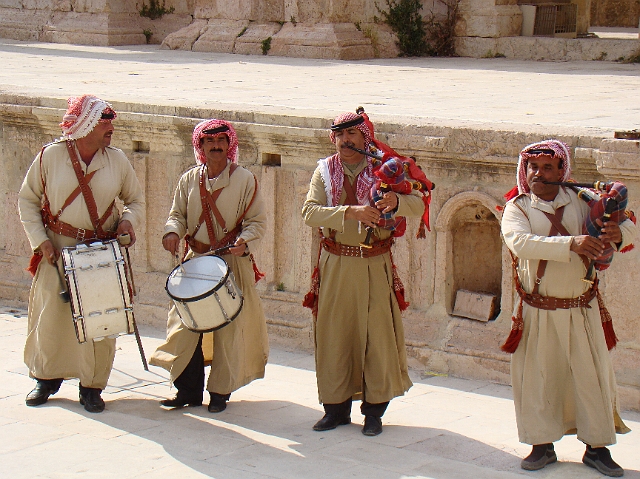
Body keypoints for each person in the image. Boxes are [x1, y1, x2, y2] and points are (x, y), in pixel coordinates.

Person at [500, 140, 636, 477]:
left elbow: (629, 224)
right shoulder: (517, 208)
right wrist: (571, 243)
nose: (539, 174)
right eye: (533, 167)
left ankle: (597, 447)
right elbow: (520, 243)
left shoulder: (584, 200)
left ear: (563, 171)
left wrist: (618, 232)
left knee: (591, 379)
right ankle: (542, 445)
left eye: (548, 168)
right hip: (538, 310)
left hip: (582, 308)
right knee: (539, 379)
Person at [301, 112, 426, 436]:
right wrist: (349, 212)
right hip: (336, 265)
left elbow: (419, 204)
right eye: (340, 135)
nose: (346, 141)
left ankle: (374, 413)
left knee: (377, 338)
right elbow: (309, 212)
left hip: (374, 264)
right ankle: (336, 410)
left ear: (365, 137)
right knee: (334, 337)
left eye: (353, 134)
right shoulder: (325, 171)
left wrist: (396, 200)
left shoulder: (386, 168)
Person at [18, 94, 145, 413]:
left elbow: (135, 201)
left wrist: (128, 223)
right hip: (57, 250)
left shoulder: (116, 160)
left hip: (101, 251)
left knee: (100, 321)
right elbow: (28, 201)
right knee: (52, 318)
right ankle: (46, 379)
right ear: (85, 125)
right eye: (104, 123)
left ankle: (92, 387)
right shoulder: (51, 156)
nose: (110, 129)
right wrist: (39, 240)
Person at [150, 119, 269, 413]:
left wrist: (245, 241)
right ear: (200, 146)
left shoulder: (245, 180)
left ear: (229, 145)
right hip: (196, 261)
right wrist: (172, 232)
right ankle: (187, 391)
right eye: (209, 142)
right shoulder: (189, 179)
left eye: (221, 141)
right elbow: (177, 213)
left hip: (231, 262)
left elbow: (257, 223)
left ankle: (219, 392)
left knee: (228, 330)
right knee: (185, 324)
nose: (216, 146)